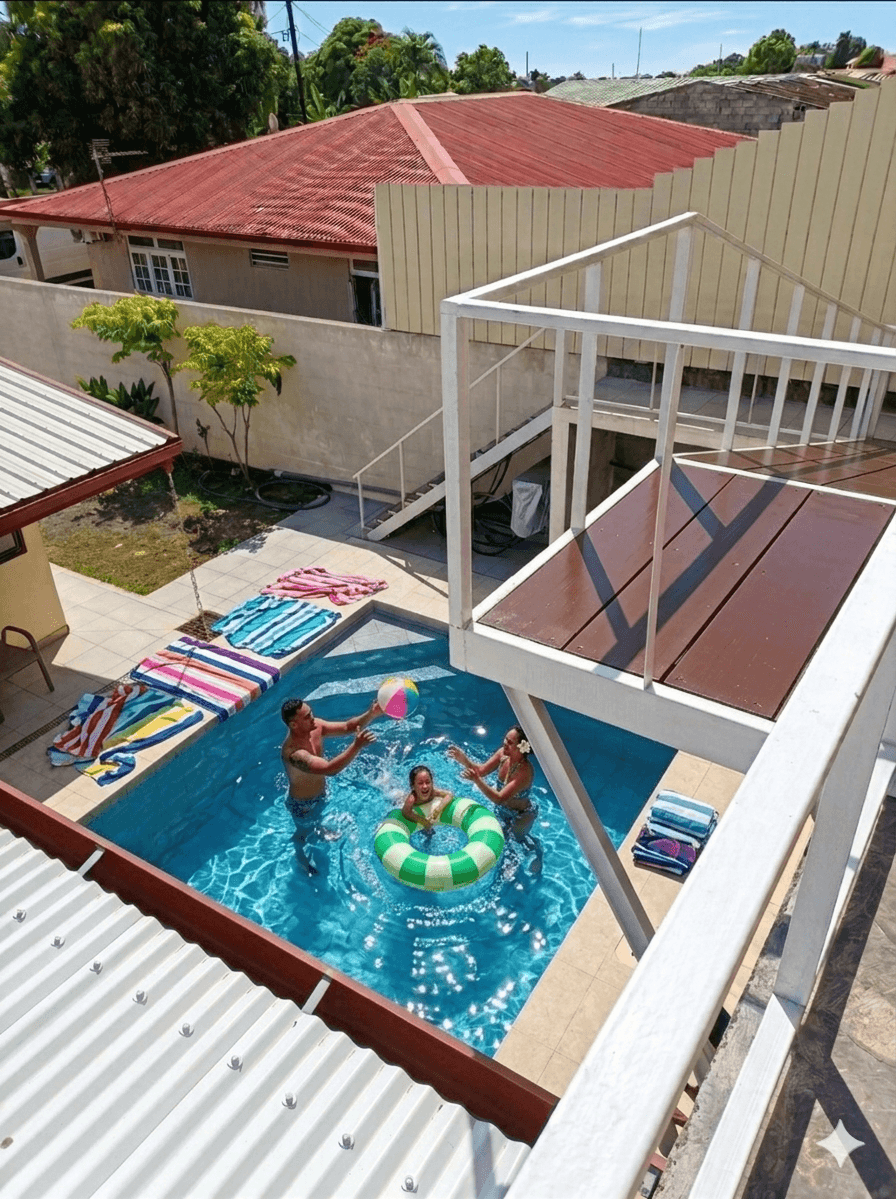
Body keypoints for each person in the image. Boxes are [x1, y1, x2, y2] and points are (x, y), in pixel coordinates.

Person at [280, 696, 383, 872]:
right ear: (294, 725)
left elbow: (347, 727)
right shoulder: (294, 753)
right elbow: (330, 769)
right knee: (303, 834)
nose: (312, 717)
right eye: (307, 717)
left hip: (321, 794)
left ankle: (319, 829)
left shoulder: (316, 726)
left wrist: (371, 714)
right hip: (302, 805)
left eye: (310, 713)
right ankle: (300, 856)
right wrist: (356, 746)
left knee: (317, 824)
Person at [448, 725, 542, 873]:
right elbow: (481, 770)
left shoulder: (524, 772)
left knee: (519, 841)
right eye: (506, 739)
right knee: (501, 841)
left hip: (522, 815)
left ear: (522, 747)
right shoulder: (503, 755)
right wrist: (463, 759)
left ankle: (538, 852)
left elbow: (499, 798)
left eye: (510, 742)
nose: (505, 743)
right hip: (503, 809)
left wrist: (477, 780)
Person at [401, 764, 452, 832]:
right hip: (401, 799)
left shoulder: (433, 793)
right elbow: (406, 812)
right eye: (420, 783)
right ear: (413, 786)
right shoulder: (412, 799)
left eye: (428, 782)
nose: (425, 786)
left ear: (432, 783)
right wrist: (424, 822)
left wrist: (439, 808)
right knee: (397, 795)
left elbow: (449, 794)